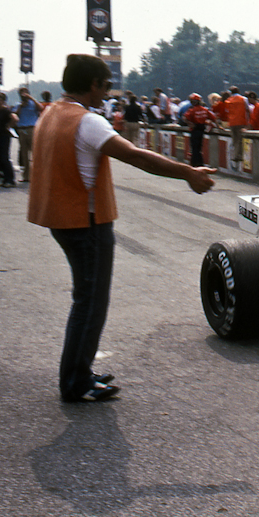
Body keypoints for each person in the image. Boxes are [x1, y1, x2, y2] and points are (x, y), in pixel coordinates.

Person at [27, 54, 216, 402]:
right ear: (94, 85)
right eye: (106, 85)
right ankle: (75, 383)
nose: (107, 93)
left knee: (85, 297)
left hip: (59, 218)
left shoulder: (51, 113)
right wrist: (188, 172)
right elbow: (137, 157)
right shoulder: (88, 122)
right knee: (91, 301)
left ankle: (80, 371)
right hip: (87, 222)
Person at [14, 87, 42, 182]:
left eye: (26, 93)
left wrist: (31, 98)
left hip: (32, 128)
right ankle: (26, 176)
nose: (24, 95)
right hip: (22, 129)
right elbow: (15, 115)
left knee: (35, 152)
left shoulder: (33, 103)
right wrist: (21, 106)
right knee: (24, 153)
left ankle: (38, 174)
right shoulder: (18, 105)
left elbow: (41, 108)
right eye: (22, 93)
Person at [0, 92, 18, 187]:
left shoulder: (6, 111)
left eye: (0, 100)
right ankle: (5, 179)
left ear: (3, 101)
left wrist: (9, 126)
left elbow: (15, 118)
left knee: (4, 157)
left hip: (4, 136)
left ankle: (10, 180)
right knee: (0, 158)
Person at [183, 94, 215, 166]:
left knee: (194, 148)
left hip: (194, 129)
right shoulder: (205, 109)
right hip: (202, 129)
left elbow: (185, 118)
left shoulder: (192, 110)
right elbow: (213, 118)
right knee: (199, 147)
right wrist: (218, 126)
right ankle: (200, 163)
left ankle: (194, 164)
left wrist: (189, 123)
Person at [220, 86, 248, 168]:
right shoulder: (243, 99)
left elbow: (227, 111)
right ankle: (239, 155)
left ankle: (235, 155)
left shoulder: (228, 100)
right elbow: (247, 109)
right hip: (241, 121)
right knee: (240, 139)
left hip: (232, 122)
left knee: (234, 139)